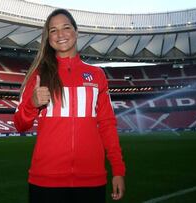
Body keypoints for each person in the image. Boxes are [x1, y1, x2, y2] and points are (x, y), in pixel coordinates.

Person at [14, 8, 125, 203]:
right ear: (48, 38)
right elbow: (20, 124)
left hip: (92, 181)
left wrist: (118, 170)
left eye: (66, 27)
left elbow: (107, 124)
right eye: (53, 30)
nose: (60, 34)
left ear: (76, 31)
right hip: (45, 181)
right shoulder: (38, 75)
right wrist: (32, 103)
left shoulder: (97, 75)